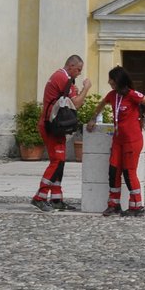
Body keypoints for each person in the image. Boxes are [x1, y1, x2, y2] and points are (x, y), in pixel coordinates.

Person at [32, 55, 91, 210]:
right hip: (51, 125)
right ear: (70, 65)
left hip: (55, 125)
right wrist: (86, 88)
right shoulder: (63, 78)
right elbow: (76, 104)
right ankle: (40, 197)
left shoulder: (61, 77)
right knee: (57, 160)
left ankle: (57, 198)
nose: (79, 73)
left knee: (60, 160)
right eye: (78, 69)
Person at [104, 65, 145, 218]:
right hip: (118, 141)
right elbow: (101, 105)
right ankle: (114, 204)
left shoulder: (132, 95)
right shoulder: (112, 95)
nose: (109, 82)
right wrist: (94, 118)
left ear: (119, 81)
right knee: (113, 172)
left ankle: (137, 206)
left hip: (132, 141)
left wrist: (143, 119)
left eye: (111, 80)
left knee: (129, 172)